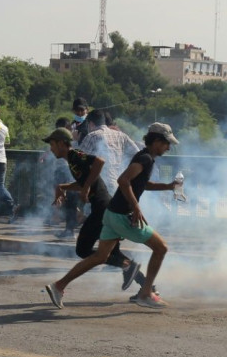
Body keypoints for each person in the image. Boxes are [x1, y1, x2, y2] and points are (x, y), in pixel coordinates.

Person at [46, 123, 180, 310]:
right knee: (161, 248)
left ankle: (58, 286)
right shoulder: (146, 159)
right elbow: (123, 180)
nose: (168, 147)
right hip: (121, 215)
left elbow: (141, 183)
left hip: (111, 213)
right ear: (157, 141)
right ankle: (146, 293)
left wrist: (167, 186)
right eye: (167, 143)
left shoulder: (143, 157)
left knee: (100, 256)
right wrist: (136, 207)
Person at [42, 127, 146, 295]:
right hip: (104, 208)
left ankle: (129, 267)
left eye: (52, 144)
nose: (51, 148)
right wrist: (63, 187)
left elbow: (99, 161)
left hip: (101, 210)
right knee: (114, 253)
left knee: (83, 249)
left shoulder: (75, 155)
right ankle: (147, 287)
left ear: (62, 144)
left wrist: (87, 187)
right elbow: (84, 183)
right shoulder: (72, 160)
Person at [79, 109, 139, 196]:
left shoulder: (92, 136)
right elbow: (137, 154)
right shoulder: (121, 135)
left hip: (99, 189)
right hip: (119, 187)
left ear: (91, 124)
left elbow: (78, 161)